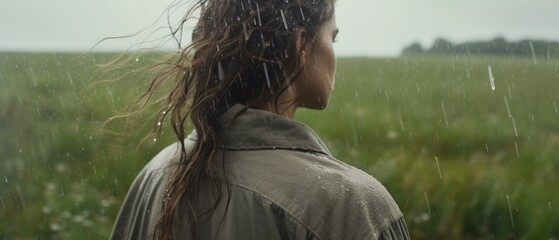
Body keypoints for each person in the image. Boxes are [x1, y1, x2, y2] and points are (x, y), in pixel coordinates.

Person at [110, 0, 410, 239]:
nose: (333, 53)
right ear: (300, 44)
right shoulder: (349, 204)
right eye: (332, 37)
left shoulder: (155, 174)